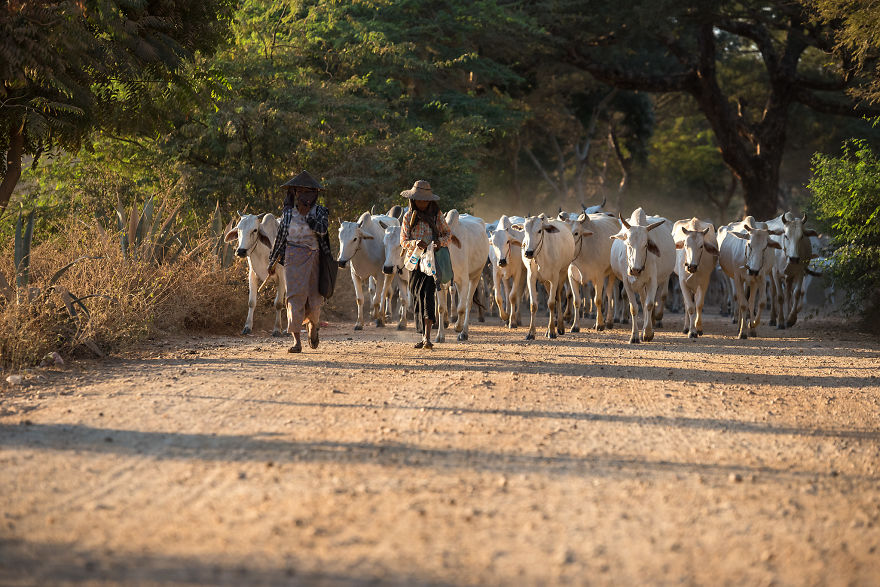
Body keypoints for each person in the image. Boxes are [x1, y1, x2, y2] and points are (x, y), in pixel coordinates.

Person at [267, 170, 330, 353]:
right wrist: (272, 261)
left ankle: (313, 326)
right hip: (292, 259)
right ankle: (296, 342)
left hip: (314, 259)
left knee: (314, 298)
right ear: (294, 193)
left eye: (307, 192)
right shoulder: (288, 214)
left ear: (314, 194)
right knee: (294, 298)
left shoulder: (321, 211)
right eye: (299, 191)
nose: (303, 195)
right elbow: (280, 239)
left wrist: (308, 216)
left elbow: (322, 230)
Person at [399, 180, 451, 349]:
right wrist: (415, 243)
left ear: (429, 201)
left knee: (428, 296)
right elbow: (403, 241)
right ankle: (422, 336)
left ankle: (427, 337)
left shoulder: (437, 215)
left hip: (432, 262)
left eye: (424, 200)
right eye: (418, 199)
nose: (421, 203)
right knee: (417, 295)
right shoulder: (408, 217)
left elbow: (448, 235)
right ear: (413, 200)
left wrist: (438, 243)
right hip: (414, 262)